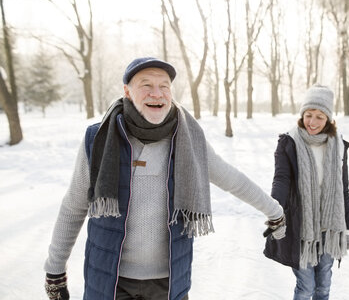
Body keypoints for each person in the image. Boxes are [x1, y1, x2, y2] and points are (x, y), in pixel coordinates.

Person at [44, 57, 285, 300]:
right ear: (127, 92)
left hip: (168, 284)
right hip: (110, 281)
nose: (156, 93)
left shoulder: (189, 140)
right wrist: (54, 270)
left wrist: (274, 211)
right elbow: (74, 206)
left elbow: (232, 179)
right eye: (146, 85)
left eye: (164, 86)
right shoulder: (100, 139)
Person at [263, 84, 349, 300]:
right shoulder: (289, 142)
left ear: (329, 120)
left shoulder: (338, 145)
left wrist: (347, 228)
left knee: (323, 285)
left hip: (330, 228)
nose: (312, 122)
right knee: (306, 287)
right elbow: (281, 180)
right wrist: (275, 210)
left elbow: (344, 187)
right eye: (308, 115)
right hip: (301, 227)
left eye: (319, 117)